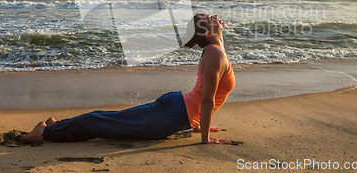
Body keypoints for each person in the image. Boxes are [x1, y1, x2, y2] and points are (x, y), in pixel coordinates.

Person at [20, 14, 235, 145]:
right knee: (104, 123)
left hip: (178, 109)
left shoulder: (216, 50)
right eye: (210, 19)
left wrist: (198, 124)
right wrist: (205, 138)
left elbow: (206, 96)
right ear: (207, 33)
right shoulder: (215, 53)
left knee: (109, 119)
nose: (215, 17)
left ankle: (58, 126)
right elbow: (206, 100)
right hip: (174, 113)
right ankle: (46, 132)